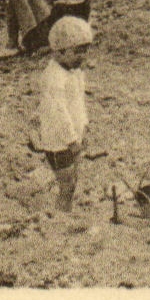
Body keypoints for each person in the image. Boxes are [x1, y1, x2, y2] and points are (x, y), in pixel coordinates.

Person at [35, 16, 94, 211]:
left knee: (73, 179)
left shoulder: (75, 71)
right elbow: (58, 112)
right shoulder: (54, 78)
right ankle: (62, 215)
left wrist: (84, 127)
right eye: (77, 52)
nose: (82, 57)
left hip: (74, 138)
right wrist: (71, 140)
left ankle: (65, 210)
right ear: (59, 52)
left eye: (85, 51)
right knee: (67, 184)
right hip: (59, 142)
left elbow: (78, 103)